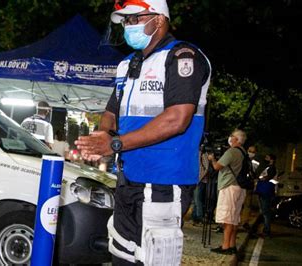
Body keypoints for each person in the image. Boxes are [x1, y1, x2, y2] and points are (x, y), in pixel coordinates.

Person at [75, 0, 211, 264]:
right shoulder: (127, 65)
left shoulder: (182, 56)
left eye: (135, 19)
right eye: (125, 21)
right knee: (122, 255)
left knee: (153, 259)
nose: (128, 26)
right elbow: (111, 114)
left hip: (163, 181)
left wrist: (115, 144)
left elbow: (177, 119)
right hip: (129, 179)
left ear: (158, 20)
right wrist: (101, 137)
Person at [208, 129, 247, 255]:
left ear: (236, 139)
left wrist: (212, 159)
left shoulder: (232, 152)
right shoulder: (243, 152)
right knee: (234, 218)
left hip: (229, 186)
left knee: (227, 219)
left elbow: (217, 167)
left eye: (232, 136)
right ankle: (232, 245)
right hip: (240, 187)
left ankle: (225, 246)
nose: (229, 138)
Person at [255, 153, 277, 237]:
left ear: (272, 159)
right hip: (263, 190)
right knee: (264, 211)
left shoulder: (272, 168)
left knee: (266, 211)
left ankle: (267, 230)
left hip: (266, 191)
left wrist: (261, 178)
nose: (265, 158)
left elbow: (267, 177)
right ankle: (266, 229)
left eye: (267, 157)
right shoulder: (268, 167)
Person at [241, 145, 260, 230]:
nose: (251, 153)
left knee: (247, 205)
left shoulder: (255, 163)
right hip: (241, 185)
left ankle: (244, 222)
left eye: (253, 152)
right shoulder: (242, 159)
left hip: (249, 185)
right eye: (250, 151)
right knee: (238, 204)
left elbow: (255, 174)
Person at [192, 145, 211, 226]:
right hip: (195, 180)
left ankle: (199, 218)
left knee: (197, 200)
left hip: (200, 181)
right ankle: (195, 218)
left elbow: (206, 168)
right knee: (195, 200)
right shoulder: (196, 153)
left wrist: (199, 179)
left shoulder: (203, 154)